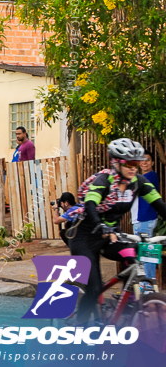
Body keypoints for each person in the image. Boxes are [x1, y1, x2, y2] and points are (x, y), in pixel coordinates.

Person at [70, 138, 166, 322]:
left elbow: (160, 205)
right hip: (85, 236)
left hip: (111, 235)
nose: (134, 168)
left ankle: (128, 304)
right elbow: (91, 203)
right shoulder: (104, 180)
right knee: (94, 288)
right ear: (116, 162)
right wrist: (99, 224)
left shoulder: (139, 182)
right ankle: (80, 329)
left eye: (136, 164)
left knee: (133, 259)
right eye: (129, 164)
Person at [131, 152, 160, 283]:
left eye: (147, 160)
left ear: (152, 162)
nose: (144, 162)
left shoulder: (150, 176)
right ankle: (147, 286)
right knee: (146, 254)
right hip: (142, 220)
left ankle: (147, 287)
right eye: (141, 160)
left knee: (146, 255)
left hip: (144, 220)